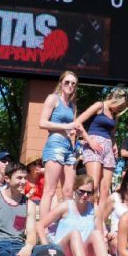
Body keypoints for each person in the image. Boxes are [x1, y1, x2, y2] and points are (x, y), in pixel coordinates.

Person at [41, 175, 120, 256]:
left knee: (97, 234)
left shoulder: (95, 209)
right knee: (74, 234)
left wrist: (105, 240)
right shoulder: (66, 206)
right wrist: (46, 247)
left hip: (85, 255)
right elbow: (40, 225)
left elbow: (99, 235)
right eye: (81, 191)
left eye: (89, 193)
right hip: (64, 255)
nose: (85, 196)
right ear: (74, 190)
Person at [77, 87, 128, 218]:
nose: (120, 109)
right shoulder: (99, 105)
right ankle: (88, 218)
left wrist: (115, 145)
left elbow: (112, 134)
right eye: (120, 106)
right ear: (115, 99)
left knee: (105, 189)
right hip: (94, 144)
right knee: (93, 185)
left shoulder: (115, 115)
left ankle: (99, 222)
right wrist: (89, 140)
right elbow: (78, 122)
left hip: (108, 149)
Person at [39, 71, 82, 214]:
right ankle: (43, 228)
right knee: (50, 190)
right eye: (67, 82)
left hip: (69, 146)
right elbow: (42, 123)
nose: (70, 85)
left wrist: (76, 132)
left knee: (69, 190)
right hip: (55, 144)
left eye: (73, 84)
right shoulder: (53, 98)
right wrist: (67, 126)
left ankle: (67, 225)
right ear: (61, 83)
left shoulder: (72, 106)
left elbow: (71, 128)